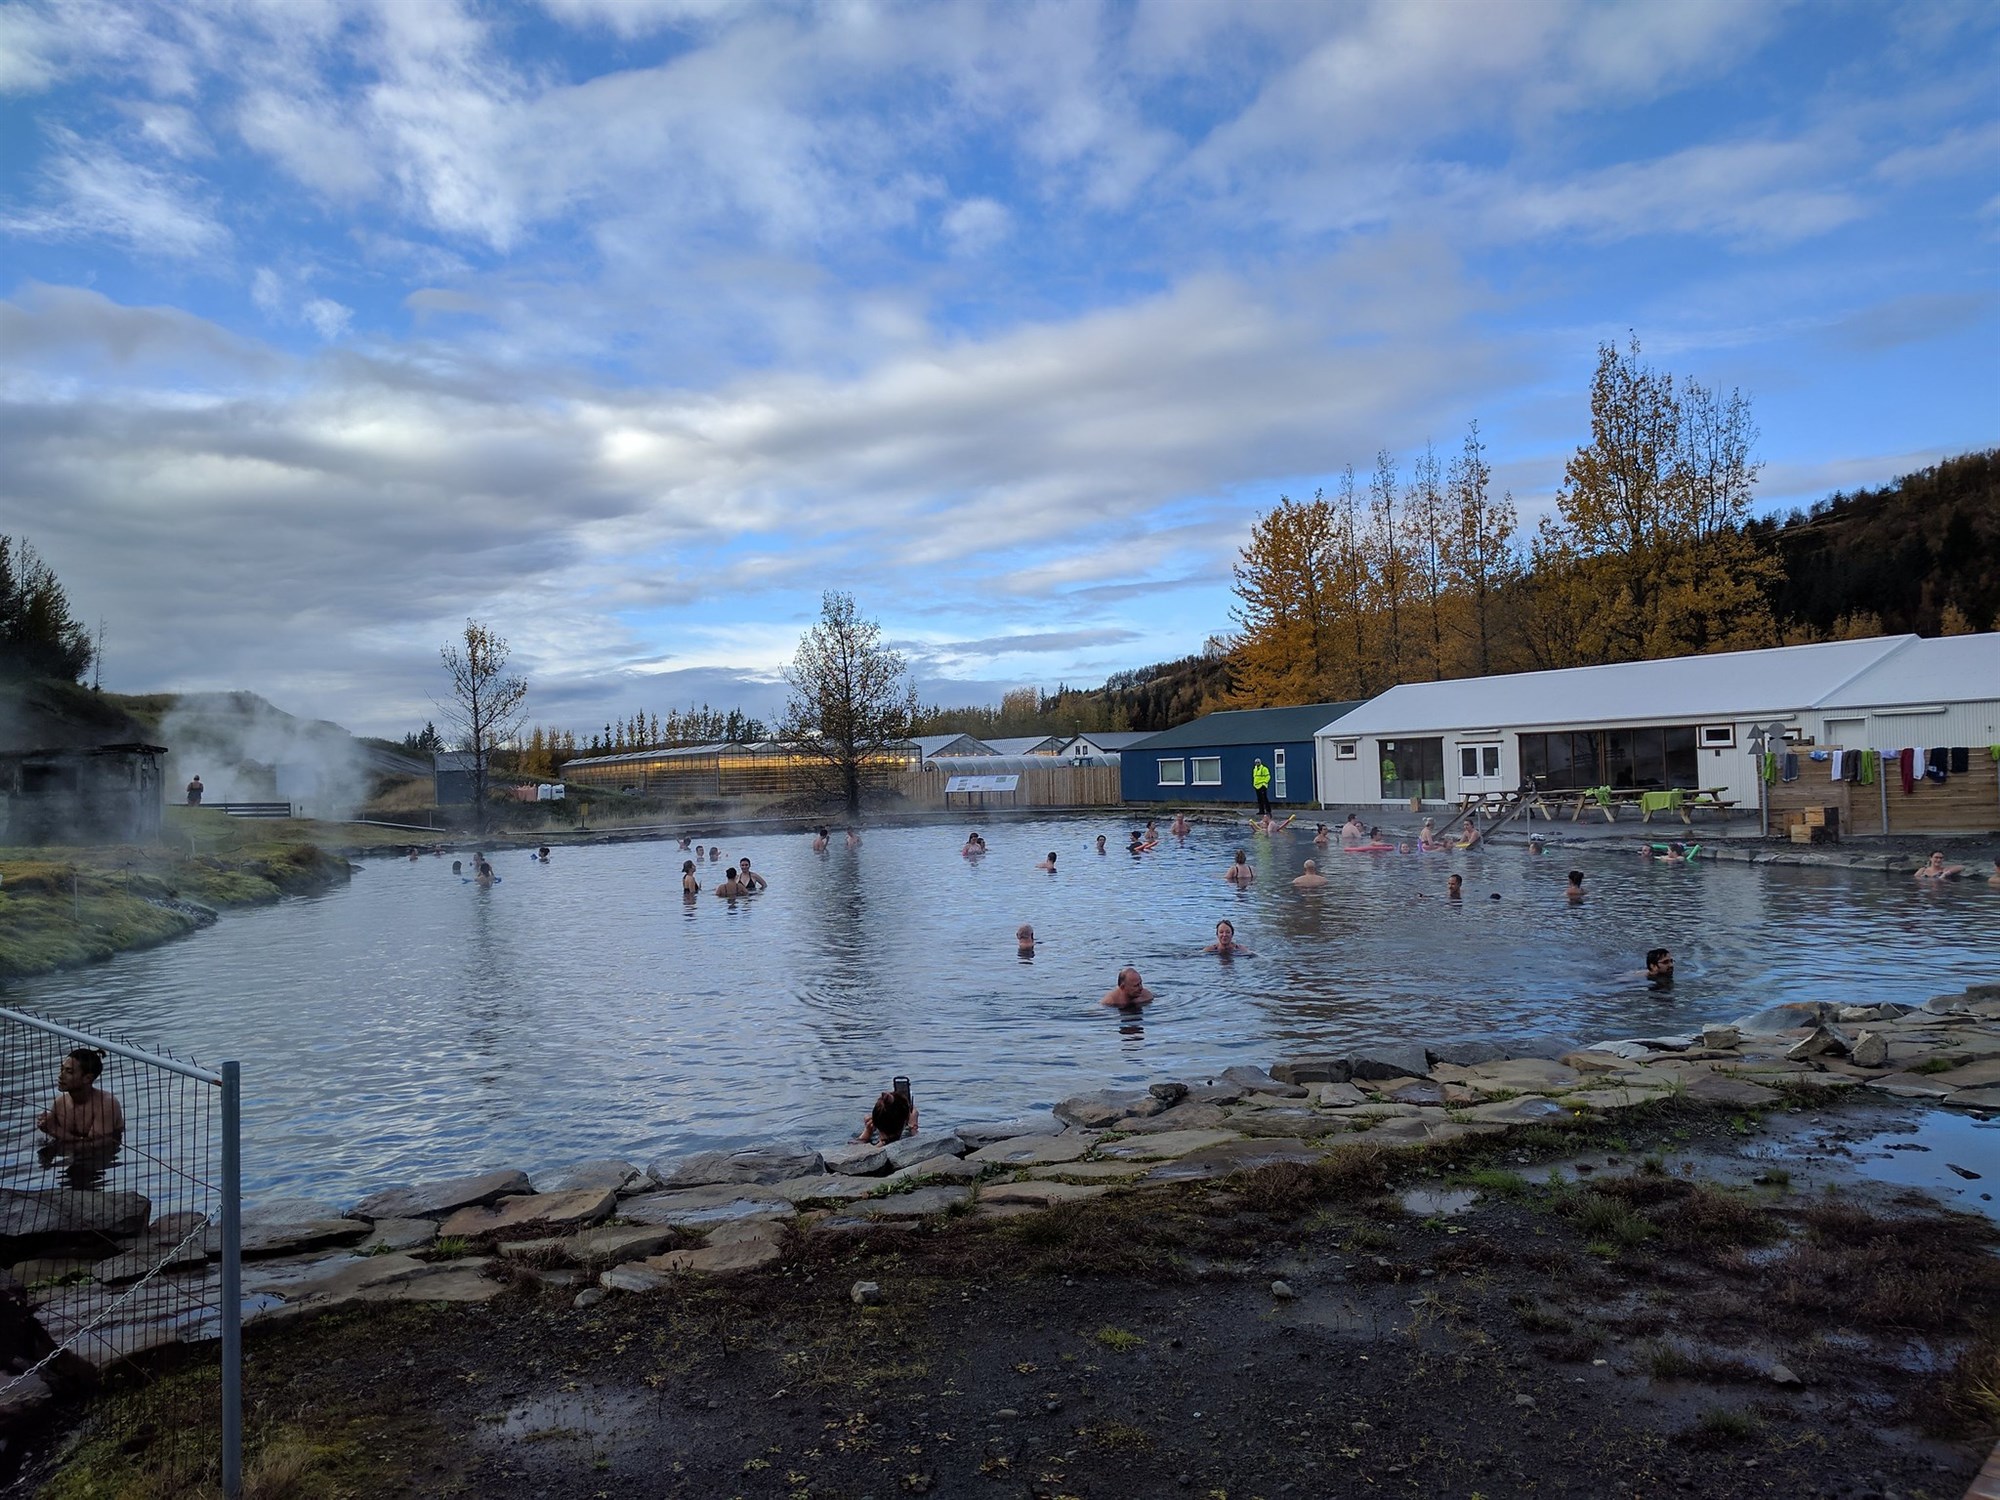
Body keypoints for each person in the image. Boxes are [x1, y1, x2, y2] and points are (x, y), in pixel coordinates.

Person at [38, 1049, 124, 1145]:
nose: (60, 1076)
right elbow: (53, 1136)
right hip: (70, 1154)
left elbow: (96, 1145)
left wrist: (54, 1130)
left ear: (87, 1078)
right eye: (61, 1069)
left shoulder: (106, 1104)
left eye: (69, 1072)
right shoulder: (59, 1103)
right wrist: (45, 1125)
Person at [855, 1079, 919, 1143]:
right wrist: (913, 1127)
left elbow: (853, 1149)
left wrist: (867, 1133)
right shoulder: (911, 1148)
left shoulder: (866, 1150)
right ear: (906, 1119)